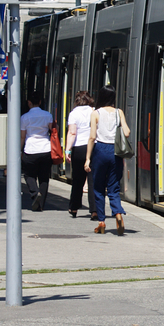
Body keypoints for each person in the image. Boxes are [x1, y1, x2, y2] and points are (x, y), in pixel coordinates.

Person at [85, 86, 131, 236]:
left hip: (100, 151)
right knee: (113, 187)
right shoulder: (119, 112)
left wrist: (87, 159)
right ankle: (117, 213)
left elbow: (92, 137)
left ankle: (102, 222)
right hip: (115, 152)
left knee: (98, 187)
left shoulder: (95, 113)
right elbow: (127, 132)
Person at [20, 92, 55, 211]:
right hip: (45, 149)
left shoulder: (25, 117)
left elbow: (22, 136)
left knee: (29, 174)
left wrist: (19, 150)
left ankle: (35, 194)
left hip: (30, 149)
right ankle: (41, 205)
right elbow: (53, 131)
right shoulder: (48, 115)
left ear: (29, 103)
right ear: (40, 102)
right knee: (44, 177)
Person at [64, 90, 95, 218]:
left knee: (78, 179)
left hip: (79, 148)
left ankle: (74, 207)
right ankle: (94, 209)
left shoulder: (73, 114)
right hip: (92, 147)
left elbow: (72, 133)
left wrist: (67, 150)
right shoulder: (94, 111)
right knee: (93, 179)